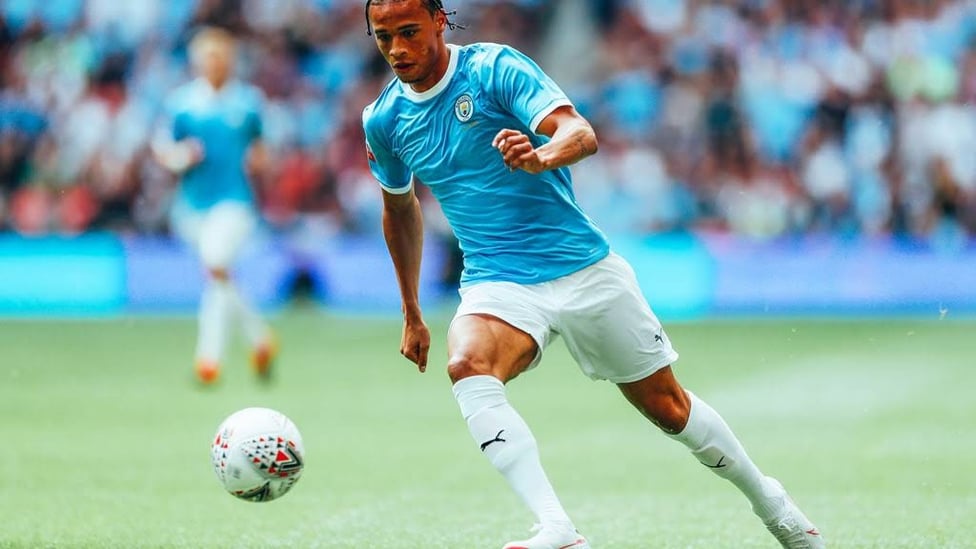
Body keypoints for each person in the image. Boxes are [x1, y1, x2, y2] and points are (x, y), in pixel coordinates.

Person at [361, 2, 825, 548]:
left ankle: (772, 503)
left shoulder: (493, 70)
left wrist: (541, 156)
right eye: (383, 37)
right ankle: (557, 528)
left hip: (582, 267)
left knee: (668, 407)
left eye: (409, 32)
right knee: (467, 363)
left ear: (440, 21)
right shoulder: (384, 119)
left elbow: (579, 133)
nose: (396, 50)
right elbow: (399, 208)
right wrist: (412, 312)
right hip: (497, 278)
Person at [152, 27, 277, 384]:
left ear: (230, 61)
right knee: (219, 275)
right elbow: (164, 149)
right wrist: (181, 157)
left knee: (216, 264)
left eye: (219, 58)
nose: (214, 65)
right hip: (192, 205)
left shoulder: (248, 102)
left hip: (235, 200)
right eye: (207, 58)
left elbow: (262, 149)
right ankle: (260, 339)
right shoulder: (182, 104)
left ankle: (208, 360)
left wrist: (257, 161)